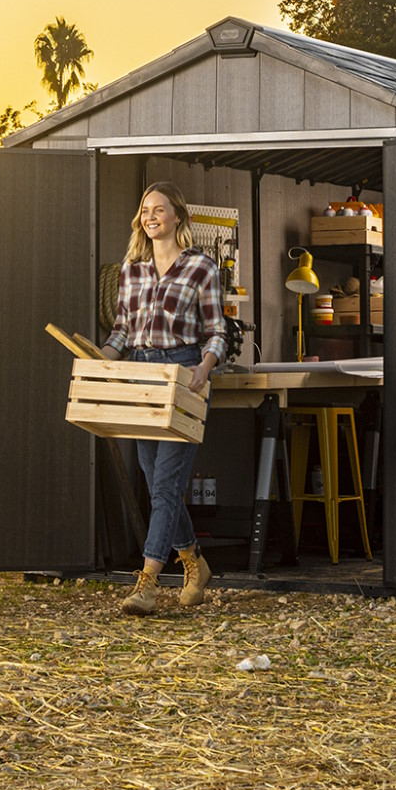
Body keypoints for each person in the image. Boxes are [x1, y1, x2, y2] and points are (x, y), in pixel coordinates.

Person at [99, 181, 228, 616]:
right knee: (156, 482)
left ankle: (149, 582)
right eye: (145, 209)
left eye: (159, 208)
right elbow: (122, 331)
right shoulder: (131, 270)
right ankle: (194, 564)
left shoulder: (202, 268)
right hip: (141, 374)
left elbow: (217, 332)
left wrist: (203, 370)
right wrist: (102, 359)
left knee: (167, 484)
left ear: (178, 216)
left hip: (183, 373)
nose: (151, 215)